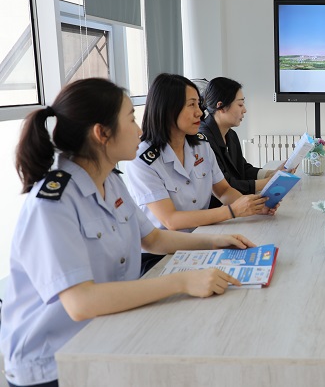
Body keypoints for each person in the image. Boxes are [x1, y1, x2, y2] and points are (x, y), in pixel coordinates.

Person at [0, 78, 256, 387]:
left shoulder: (111, 181)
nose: (139, 131)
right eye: (131, 119)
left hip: (105, 336)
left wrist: (216, 241)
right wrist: (182, 282)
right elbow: (81, 302)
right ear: (102, 133)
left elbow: (153, 238)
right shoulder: (53, 203)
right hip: (54, 364)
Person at [123, 73, 275, 272]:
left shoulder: (201, 146)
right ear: (169, 109)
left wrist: (252, 207)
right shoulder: (143, 159)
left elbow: (223, 190)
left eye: (199, 104)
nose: (200, 113)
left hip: (202, 238)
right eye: (192, 105)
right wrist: (232, 211)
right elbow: (171, 220)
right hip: (161, 254)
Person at [199, 77, 287, 208]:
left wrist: (271, 173)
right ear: (221, 106)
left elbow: (243, 169)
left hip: (234, 204)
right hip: (216, 209)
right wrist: (268, 182)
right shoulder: (203, 140)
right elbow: (226, 184)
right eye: (240, 105)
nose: (244, 110)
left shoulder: (230, 134)